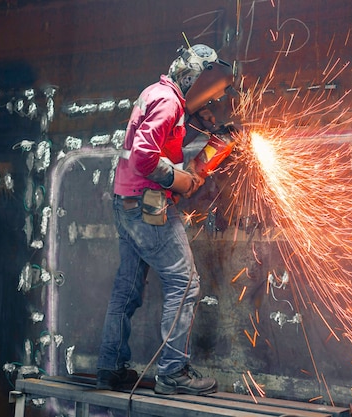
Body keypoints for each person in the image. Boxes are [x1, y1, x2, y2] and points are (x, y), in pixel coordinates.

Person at [96, 44, 227, 395]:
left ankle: (110, 367)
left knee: (127, 288)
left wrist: (194, 118)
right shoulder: (170, 102)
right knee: (184, 283)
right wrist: (181, 180)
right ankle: (172, 373)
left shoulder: (157, 92)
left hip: (125, 202)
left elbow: (159, 134)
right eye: (207, 84)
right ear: (193, 77)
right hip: (147, 206)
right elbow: (144, 157)